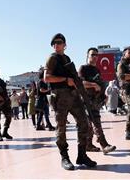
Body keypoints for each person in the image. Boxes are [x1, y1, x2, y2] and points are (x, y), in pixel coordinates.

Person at [44, 33, 97, 170]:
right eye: (54, 43)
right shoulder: (52, 58)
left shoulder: (66, 58)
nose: (56, 44)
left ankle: (82, 155)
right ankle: (65, 157)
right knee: (61, 127)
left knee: (84, 123)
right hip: (60, 96)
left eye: (59, 42)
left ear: (64, 45)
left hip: (73, 95)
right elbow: (47, 78)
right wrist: (65, 80)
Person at [79, 47, 116, 154]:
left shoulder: (97, 70)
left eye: (96, 55)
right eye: (92, 55)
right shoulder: (83, 68)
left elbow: (100, 85)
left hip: (96, 101)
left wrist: (103, 96)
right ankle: (104, 145)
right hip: (86, 100)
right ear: (87, 56)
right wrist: (93, 84)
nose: (95, 57)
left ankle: (88, 145)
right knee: (96, 122)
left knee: (90, 124)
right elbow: (80, 83)